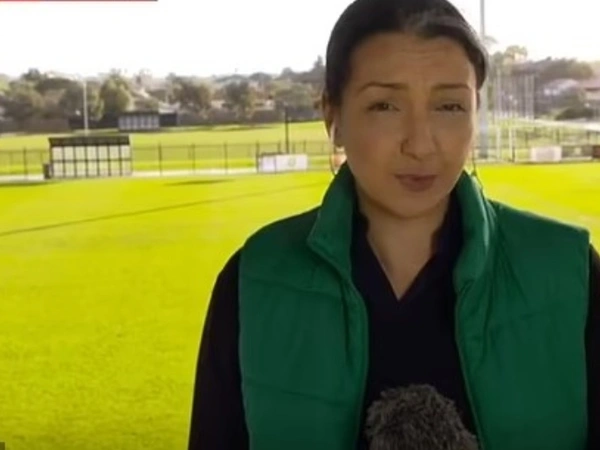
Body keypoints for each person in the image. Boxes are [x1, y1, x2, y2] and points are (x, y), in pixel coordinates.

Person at [187, 0, 600, 448]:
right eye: (384, 105)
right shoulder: (255, 279)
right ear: (332, 117)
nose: (420, 144)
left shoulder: (570, 272)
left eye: (449, 106)